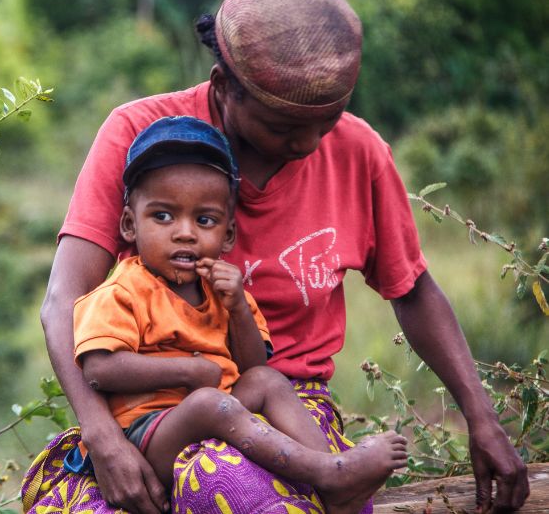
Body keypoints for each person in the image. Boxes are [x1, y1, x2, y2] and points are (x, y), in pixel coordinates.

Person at [24, 0, 529, 514]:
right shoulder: (141, 138)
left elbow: (412, 289)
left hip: (282, 407)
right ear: (223, 88)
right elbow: (63, 303)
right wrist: (100, 437)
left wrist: (483, 419)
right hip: (138, 413)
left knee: (231, 489)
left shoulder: (359, 153)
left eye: (327, 121)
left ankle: (329, 478)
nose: (309, 144)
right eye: (284, 127)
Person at [68, 116, 408, 514]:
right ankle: (326, 471)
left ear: (227, 235)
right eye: (162, 216)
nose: (184, 233)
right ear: (129, 224)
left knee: (267, 380)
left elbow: (252, 365)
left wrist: (239, 310)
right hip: (149, 434)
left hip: (223, 407)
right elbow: (99, 368)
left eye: (204, 220)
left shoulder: (224, 291)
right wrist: (187, 371)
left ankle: (336, 480)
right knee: (210, 404)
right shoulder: (123, 289)